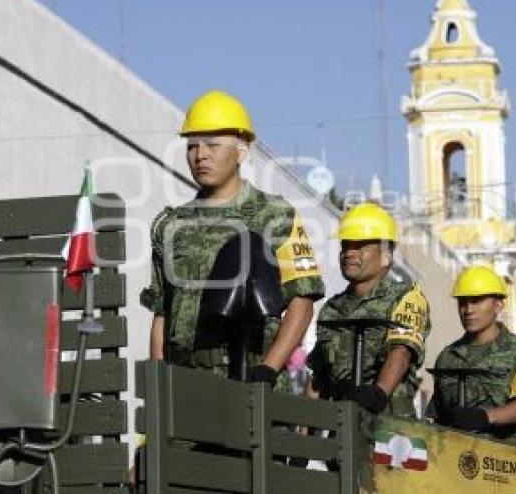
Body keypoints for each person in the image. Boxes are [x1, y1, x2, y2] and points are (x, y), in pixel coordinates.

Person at [140, 90, 324, 388]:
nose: (200, 155)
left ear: (241, 150)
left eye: (213, 144)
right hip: (184, 383)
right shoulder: (171, 224)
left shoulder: (274, 215)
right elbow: (161, 311)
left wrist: (268, 369)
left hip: (248, 379)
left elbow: (302, 301)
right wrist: (158, 380)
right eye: (192, 146)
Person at [306, 202, 430, 417]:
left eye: (361, 245)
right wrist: (303, 430)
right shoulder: (332, 309)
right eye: (346, 245)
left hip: (389, 429)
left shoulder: (406, 297)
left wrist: (377, 394)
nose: (349, 253)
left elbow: (400, 353)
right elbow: (319, 378)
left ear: (386, 252)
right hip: (341, 428)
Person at [427, 265, 516, 446]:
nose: (468, 310)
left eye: (476, 301)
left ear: (498, 305)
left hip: (506, 463)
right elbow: (437, 416)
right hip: (455, 461)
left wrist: (485, 417)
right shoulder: (447, 357)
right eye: (463, 302)